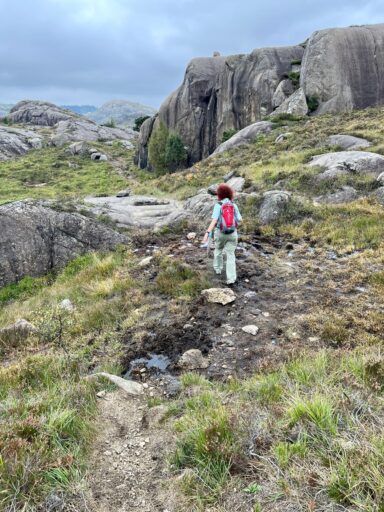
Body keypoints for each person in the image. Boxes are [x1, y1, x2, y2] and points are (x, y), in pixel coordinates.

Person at [202, 183, 242, 285]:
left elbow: (214, 221)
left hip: (220, 233)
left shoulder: (218, 205)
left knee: (218, 249)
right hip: (232, 233)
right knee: (230, 255)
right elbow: (240, 220)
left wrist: (207, 233)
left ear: (219, 194)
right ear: (230, 193)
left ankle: (218, 269)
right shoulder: (233, 205)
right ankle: (231, 278)